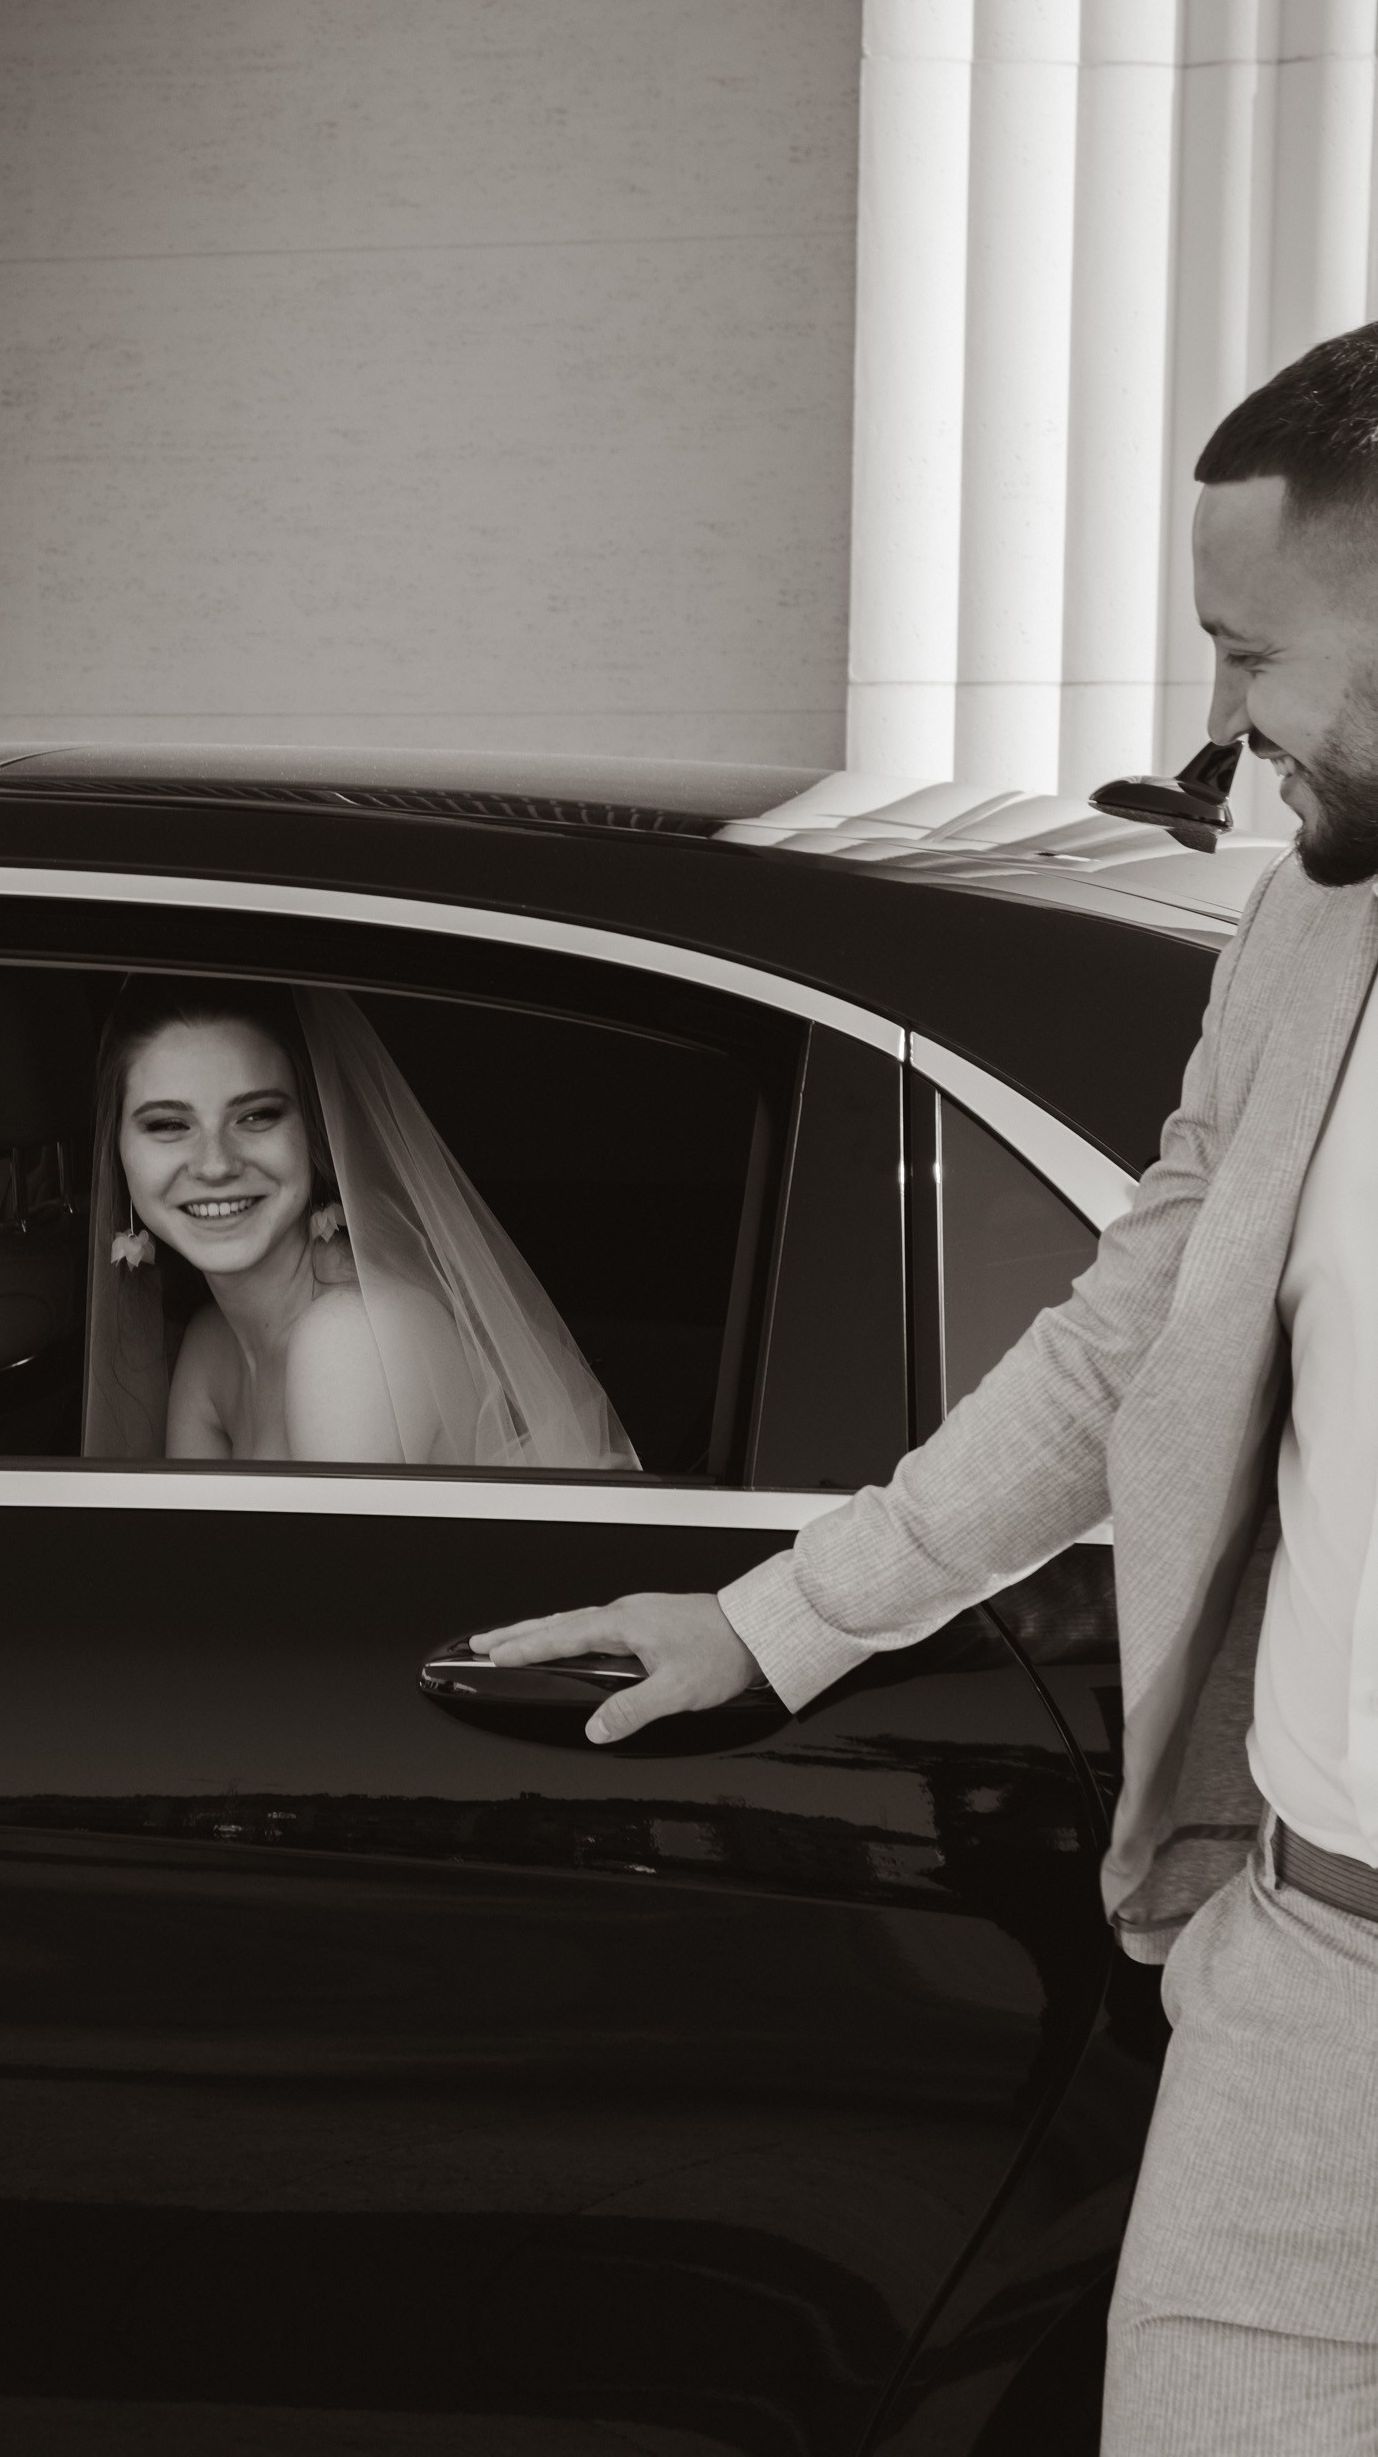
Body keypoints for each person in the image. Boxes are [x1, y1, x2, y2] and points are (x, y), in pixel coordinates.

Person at [475, 319, 1378, 2455]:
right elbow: (1121, 1335)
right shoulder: (1306, 943)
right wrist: (777, 1616)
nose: (1220, 727)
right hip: (1311, 1973)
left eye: (1249, 655)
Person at [85, 974, 638, 1473]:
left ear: (315, 1130)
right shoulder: (211, 1347)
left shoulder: (350, 1338)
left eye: (257, 1115)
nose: (215, 1165)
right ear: (118, 1149)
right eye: (168, 1124)